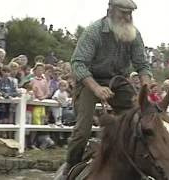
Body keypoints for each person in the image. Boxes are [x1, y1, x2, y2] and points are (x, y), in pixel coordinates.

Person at [61, 0, 152, 177]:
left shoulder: (134, 34)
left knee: (140, 119)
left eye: (129, 14)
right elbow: (78, 64)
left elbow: (142, 64)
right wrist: (96, 88)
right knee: (82, 129)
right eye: (123, 13)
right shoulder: (94, 32)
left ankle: (142, 164)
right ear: (110, 10)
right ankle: (70, 167)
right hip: (90, 80)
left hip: (119, 81)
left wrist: (146, 85)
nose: (127, 17)